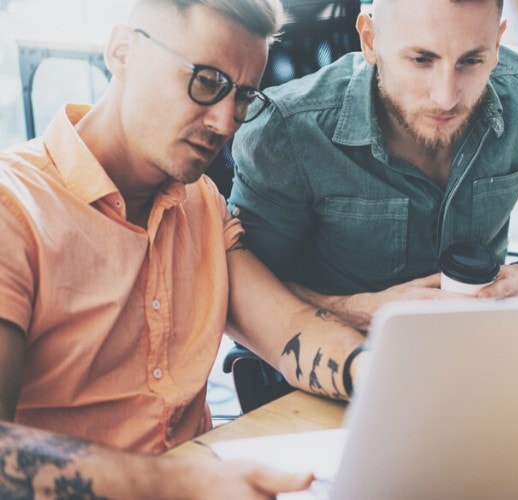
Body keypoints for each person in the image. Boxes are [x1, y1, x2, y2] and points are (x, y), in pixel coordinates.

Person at [0, 0, 367, 497]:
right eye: (207, 81)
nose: (225, 123)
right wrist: (177, 483)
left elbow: (288, 329)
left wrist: (377, 374)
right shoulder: (13, 209)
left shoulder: (200, 203)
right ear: (122, 50)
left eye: (242, 97)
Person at [229, 0, 518, 331]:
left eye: (471, 60)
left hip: (481, 356)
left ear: (498, 43)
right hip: (338, 367)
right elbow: (241, 291)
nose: (446, 97)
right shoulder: (287, 132)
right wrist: (364, 311)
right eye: (422, 59)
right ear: (370, 39)